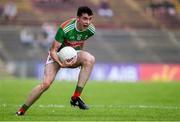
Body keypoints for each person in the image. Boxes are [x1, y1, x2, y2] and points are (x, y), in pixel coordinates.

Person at [16, 6, 95, 116]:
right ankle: (21, 110)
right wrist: (61, 63)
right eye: (85, 19)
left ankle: (76, 97)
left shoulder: (91, 30)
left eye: (90, 19)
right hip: (57, 56)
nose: (88, 22)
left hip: (72, 55)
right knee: (45, 84)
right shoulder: (65, 28)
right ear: (78, 18)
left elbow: (81, 41)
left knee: (90, 59)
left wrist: (77, 58)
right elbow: (53, 50)